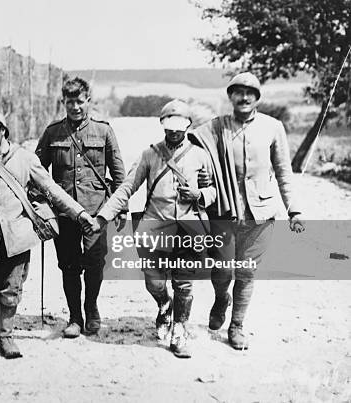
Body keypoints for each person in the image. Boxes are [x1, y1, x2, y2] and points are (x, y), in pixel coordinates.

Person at [0, 109, 96, 359]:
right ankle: (1, 316)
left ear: (3, 130)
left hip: (18, 237)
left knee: (11, 290)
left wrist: (79, 213)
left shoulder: (25, 159)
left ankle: (6, 336)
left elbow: (51, 190)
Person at [190, 72, 305, 350]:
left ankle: (237, 325)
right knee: (221, 270)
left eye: (250, 93)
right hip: (223, 212)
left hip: (260, 215)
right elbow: (193, 153)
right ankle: (221, 299)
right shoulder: (215, 128)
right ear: (230, 96)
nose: (244, 97)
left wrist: (295, 210)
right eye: (238, 92)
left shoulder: (272, 127)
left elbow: (284, 173)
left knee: (247, 272)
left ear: (257, 98)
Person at [93, 99, 216, 358]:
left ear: (188, 126)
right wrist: (104, 216)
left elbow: (212, 191)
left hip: (189, 229)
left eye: (179, 126)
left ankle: (180, 329)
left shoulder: (200, 156)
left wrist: (199, 194)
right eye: (168, 126)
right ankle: (163, 305)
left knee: (184, 284)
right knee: (154, 282)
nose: (173, 132)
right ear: (162, 126)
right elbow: (127, 188)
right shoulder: (150, 155)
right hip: (154, 228)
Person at [35, 77, 126, 338]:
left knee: (95, 263)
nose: (75, 107)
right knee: (69, 266)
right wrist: (39, 204)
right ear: (63, 102)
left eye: (80, 101)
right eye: (69, 102)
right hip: (64, 213)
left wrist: (122, 208)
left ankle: (91, 308)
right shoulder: (53, 133)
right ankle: (75, 316)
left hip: (96, 211)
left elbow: (119, 174)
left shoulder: (104, 131)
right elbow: (37, 171)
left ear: (89, 101)